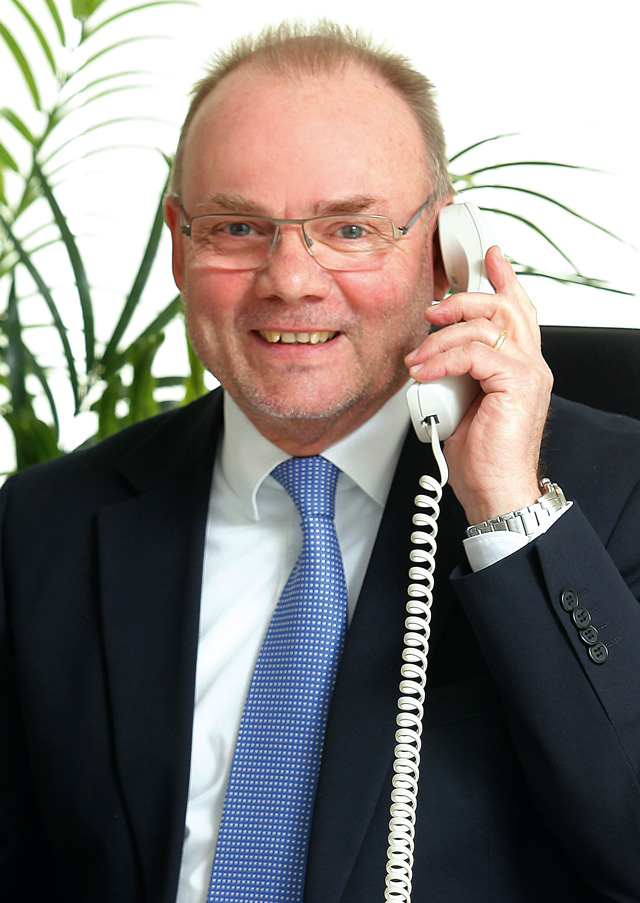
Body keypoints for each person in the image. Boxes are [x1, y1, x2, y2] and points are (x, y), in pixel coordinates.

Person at [1, 20, 639, 903]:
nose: (291, 279)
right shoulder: (43, 526)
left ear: (444, 247)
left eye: (349, 228)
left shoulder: (611, 496)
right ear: (180, 244)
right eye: (237, 226)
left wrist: (505, 507)